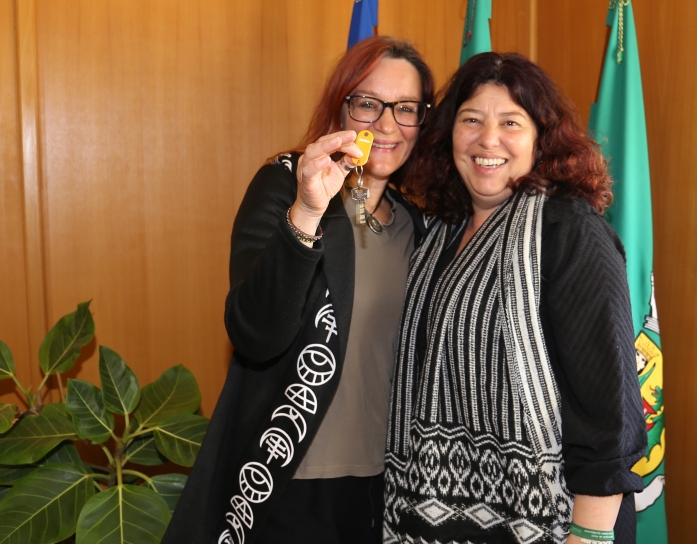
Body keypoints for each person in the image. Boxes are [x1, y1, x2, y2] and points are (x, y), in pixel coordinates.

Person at [162, 37, 434, 544]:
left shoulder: (415, 224)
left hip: (388, 486)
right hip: (286, 479)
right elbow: (254, 334)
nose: (386, 124)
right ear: (341, 105)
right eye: (368, 103)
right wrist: (307, 213)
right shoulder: (285, 185)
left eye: (406, 109)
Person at [383, 52, 647, 544]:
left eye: (510, 122)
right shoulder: (437, 234)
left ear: (541, 138)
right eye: (471, 120)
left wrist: (587, 535)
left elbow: (610, 407)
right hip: (429, 515)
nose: (488, 139)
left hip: (555, 523)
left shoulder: (569, 231)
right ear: (448, 135)